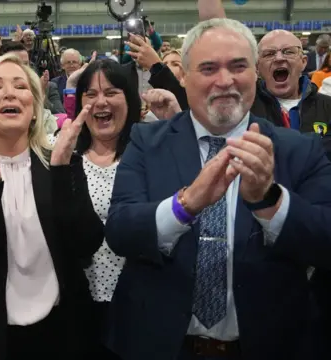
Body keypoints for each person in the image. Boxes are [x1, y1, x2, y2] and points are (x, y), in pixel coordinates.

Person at [104, 17, 331, 360]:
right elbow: (120, 232)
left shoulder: (300, 148)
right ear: (184, 76)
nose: (224, 81)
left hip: (269, 345)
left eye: (238, 66)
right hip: (160, 345)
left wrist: (270, 202)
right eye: (208, 68)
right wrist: (185, 205)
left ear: (255, 71)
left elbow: (326, 242)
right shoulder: (146, 141)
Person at [0, 54, 104, 360]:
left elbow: (87, 244)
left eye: (20, 86)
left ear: (35, 110)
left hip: (60, 333)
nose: (9, 93)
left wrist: (64, 173)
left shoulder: (61, 162)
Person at [58, 59, 141, 359]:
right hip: (79, 303)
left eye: (112, 92)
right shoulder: (65, 153)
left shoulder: (145, 155)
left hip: (136, 302)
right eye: (90, 94)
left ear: (130, 100)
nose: (101, 102)